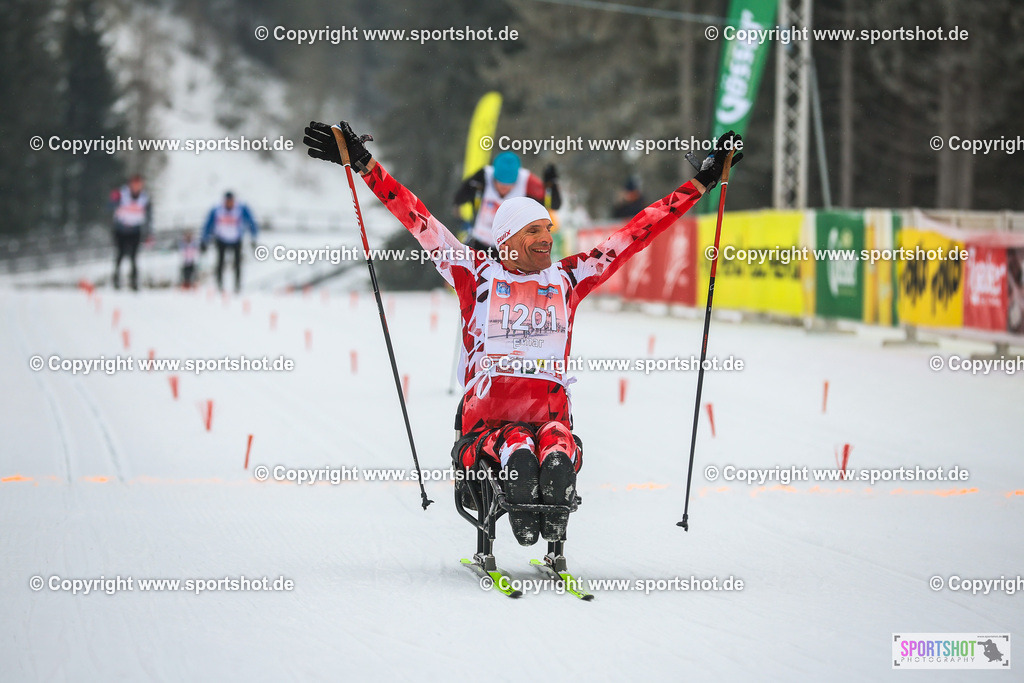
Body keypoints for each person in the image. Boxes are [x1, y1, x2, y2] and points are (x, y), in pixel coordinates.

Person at [303, 120, 741, 547]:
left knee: (555, 455)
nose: (546, 239)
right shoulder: (474, 273)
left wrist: (702, 181)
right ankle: (517, 496)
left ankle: (550, 516)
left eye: (548, 229)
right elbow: (417, 218)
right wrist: (362, 162)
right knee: (521, 456)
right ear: (508, 238)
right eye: (534, 230)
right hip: (489, 421)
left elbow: (638, 232)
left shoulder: (569, 277)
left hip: (550, 415)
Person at [453, 150, 561, 255]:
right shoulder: (483, 177)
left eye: (508, 186)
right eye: (499, 184)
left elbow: (554, 205)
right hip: (479, 242)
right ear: (494, 178)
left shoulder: (527, 182)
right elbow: (458, 198)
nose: (503, 190)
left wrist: (552, 185)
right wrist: (460, 218)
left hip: (509, 251)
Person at [201, 191, 258, 293]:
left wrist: (253, 237)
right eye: (227, 201)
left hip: (236, 239)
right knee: (220, 263)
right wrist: (205, 240)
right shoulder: (217, 210)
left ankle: (237, 287)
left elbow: (251, 222)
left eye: (231, 201)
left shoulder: (240, 209)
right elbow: (208, 225)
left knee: (237, 264)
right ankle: (219, 286)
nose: (229, 203)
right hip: (221, 239)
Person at [110, 174, 152, 291]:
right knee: (120, 255)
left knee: (134, 257)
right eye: (135, 184)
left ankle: (134, 282)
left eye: (139, 184)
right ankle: (116, 280)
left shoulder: (144, 198)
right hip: (121, 230)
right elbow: (111, 206)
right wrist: (113, 199)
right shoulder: (122, 194)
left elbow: (149, 216)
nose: (137, 187)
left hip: (135, 231)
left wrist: (149, 233)